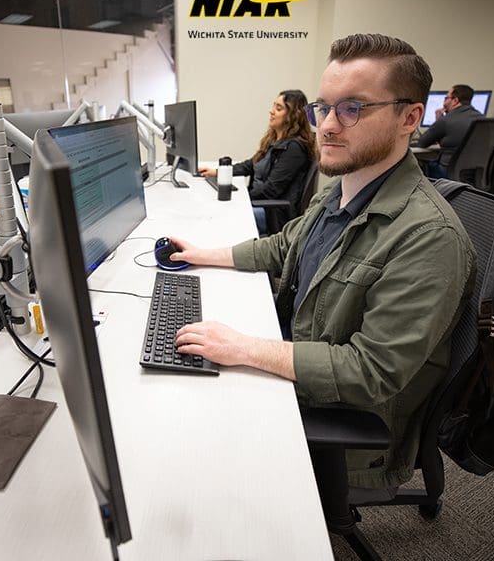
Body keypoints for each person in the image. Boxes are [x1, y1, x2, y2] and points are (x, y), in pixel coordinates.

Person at [170, 34, 476, 497]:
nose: (327, 126)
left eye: (352, 108)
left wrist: (247, 348)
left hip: (341, 419)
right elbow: (283, 246)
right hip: (301, 362)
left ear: (409, 118)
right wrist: (201, 254)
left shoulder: (429, 237)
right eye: (323, 107)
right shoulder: (343, 188)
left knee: (182, 441)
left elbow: (370, 371)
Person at [199, 90, 315, 234]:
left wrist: (242, 198)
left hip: (272, 214)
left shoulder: (293, 149)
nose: (271, 111)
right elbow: (250, 165)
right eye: (274, 106)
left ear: (293, 116)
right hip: (261, 205)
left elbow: (271, 190)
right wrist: (218, 171)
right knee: (218, 208)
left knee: (221, 214)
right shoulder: (274, 140)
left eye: (278, 108)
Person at [416, 84, 483, 178]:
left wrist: (438, 120)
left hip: (447, 173)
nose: (444, 102)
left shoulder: (446, 120)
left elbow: (422, 143)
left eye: (446, 98)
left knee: (419, 163)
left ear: (455, 101)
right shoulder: (481, 119)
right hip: (474, 174)